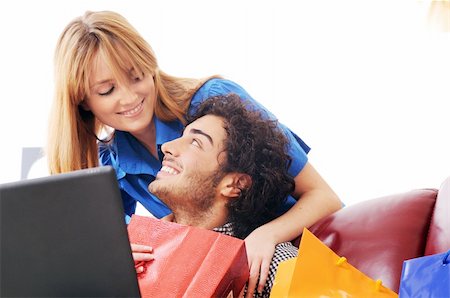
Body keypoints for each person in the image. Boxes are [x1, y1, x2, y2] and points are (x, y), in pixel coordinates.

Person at [47, 10, 342, 295]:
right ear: (83, 101)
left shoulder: (214, 101)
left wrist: (267, 236)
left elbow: (324, 196)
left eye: (136, 76)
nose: (129, 97)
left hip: (294, 266)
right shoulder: (109, 166)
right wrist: (114, 251)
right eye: (107, 91)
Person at [132, 94, 299, 297]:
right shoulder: (133, 255)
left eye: (195, 142)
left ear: (234, 184)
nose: (167, 147)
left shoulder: (275, 263)